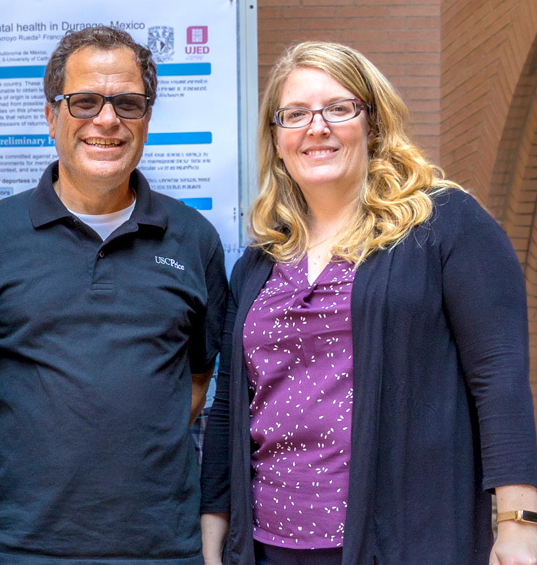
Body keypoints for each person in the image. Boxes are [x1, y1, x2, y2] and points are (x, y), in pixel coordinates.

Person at [199, 40, 537, 565]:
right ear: (277, 138)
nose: (317, 127)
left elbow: (500, 380)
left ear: (373, 122)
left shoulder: (445, 226)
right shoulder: (259, 261)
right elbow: (228, 408)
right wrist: (213, 530)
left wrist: (520, 523)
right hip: (265, 545)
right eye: (295, 115)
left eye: (339, 108)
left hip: (403, 540)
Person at [0, 26, 228, 565]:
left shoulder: (194, 239)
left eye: (127, 102)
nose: (106, 120)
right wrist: (29, 463)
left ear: (147, 117)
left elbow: (197, 380)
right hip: (20, 548)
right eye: (84, 102)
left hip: (161, 549)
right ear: (52, 115)